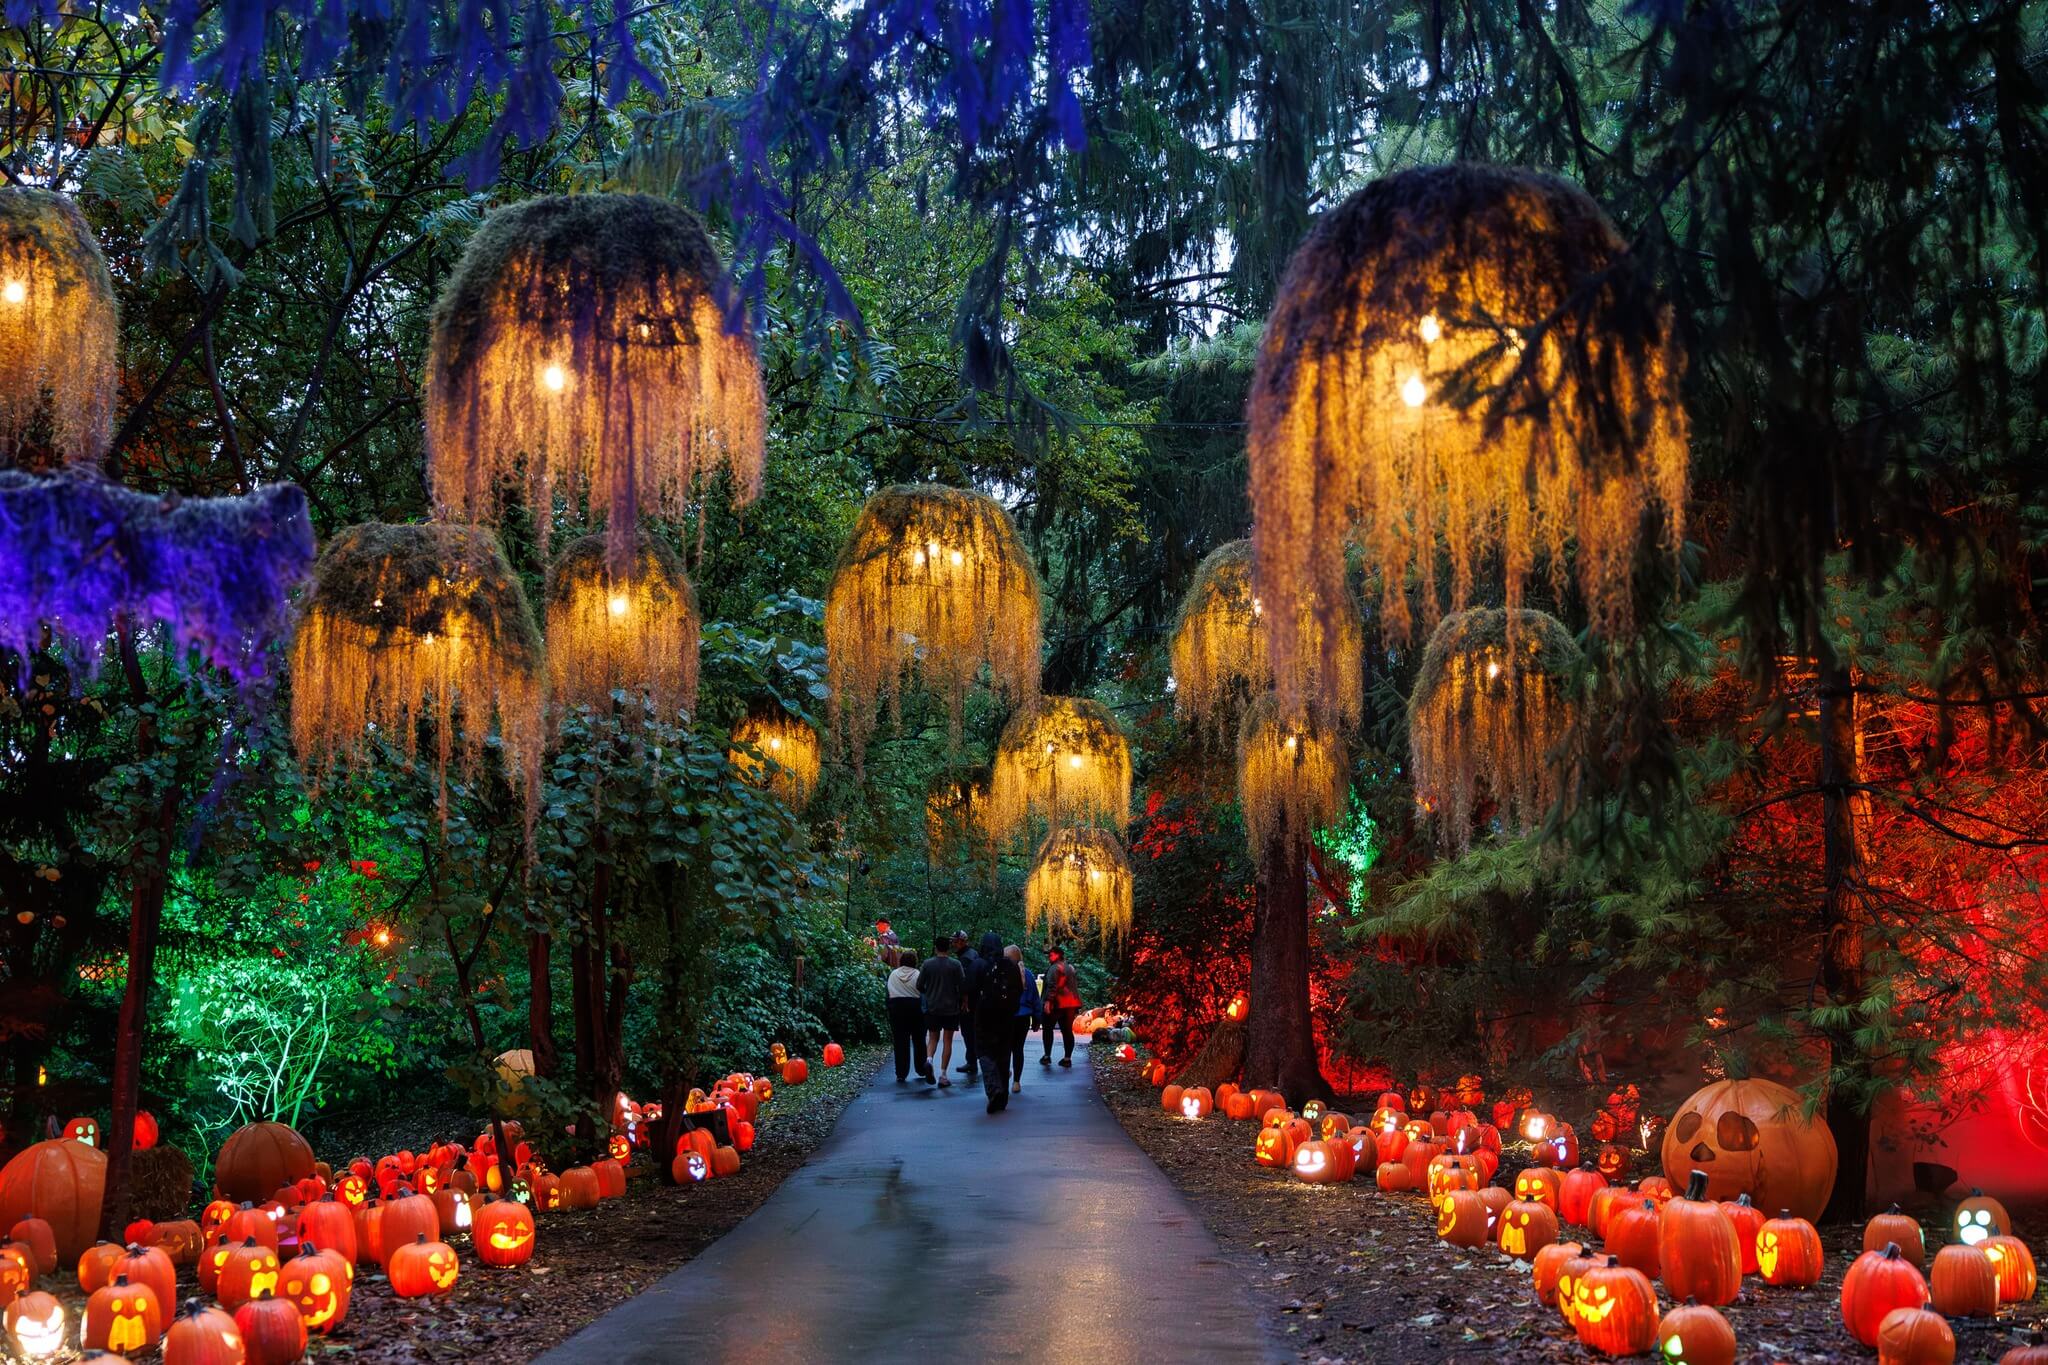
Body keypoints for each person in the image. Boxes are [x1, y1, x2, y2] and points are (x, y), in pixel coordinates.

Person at [971, 931, 1022, 1113]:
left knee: (985, 1053)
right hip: (1006, 1017)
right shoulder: (1010, 966)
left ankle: (993, 1090)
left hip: (984, 1016)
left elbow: (969, 989)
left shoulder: (978, 965)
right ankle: (1003, 1097)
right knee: (1003, 1054)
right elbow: (1019, 989)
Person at [917, 935, 965, 1087]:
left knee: (932, 1038)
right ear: (949, 948)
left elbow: (919, 985)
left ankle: (929, 1060)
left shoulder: (927, 964)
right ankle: (943, 1075)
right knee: (947, 1040)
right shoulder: (955, 964)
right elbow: (962, 984)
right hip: (951, 1008)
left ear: (936, 947)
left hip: (933, 1007)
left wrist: (929, 992)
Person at [885, 948, 930, 1083]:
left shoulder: (893, 974)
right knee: (919, 1040)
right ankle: (921, 1068)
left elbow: (887, 992)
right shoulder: (918, 974)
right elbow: (924, 992)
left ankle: (901, 1072)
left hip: (897, 1008)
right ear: (915, 961)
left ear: (901, 960)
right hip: (915, 1008)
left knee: (900, 1041)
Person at [1041, 946, 1082, 1067]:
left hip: (1056, 1004)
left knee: (1048, 1030)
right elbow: (1073, 986)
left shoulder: (1054, 968)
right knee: (1067, 1031)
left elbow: (1052, 986)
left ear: (1058, 955)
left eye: (1051, 954)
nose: (1049, 956)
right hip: (1070, 1005)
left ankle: (1047, 1056)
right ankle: (1067, 1058)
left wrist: (1048, 1002)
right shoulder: (1070, 967)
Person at [1007, 945, 1039, 1093]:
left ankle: (1004, 1073)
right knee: (1018, 1049)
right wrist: (1037, 1019)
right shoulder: (1028, 975)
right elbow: (1035, 999)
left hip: (1007, 1016)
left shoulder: (1003, 974)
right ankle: (1016, 1082)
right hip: (1024, 1017)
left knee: (1005, 1048)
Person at [953, 929, 981, 1079]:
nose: (953, 944)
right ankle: (972, 1061)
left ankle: (972, 1061)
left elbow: (965, 981)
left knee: (969, 1032)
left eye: (955, 941)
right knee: (971, 1032)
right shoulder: (972, 954)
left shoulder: (965, 958)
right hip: (975, 999)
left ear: (962, 942)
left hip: (969, 1001)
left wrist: (964, 999)